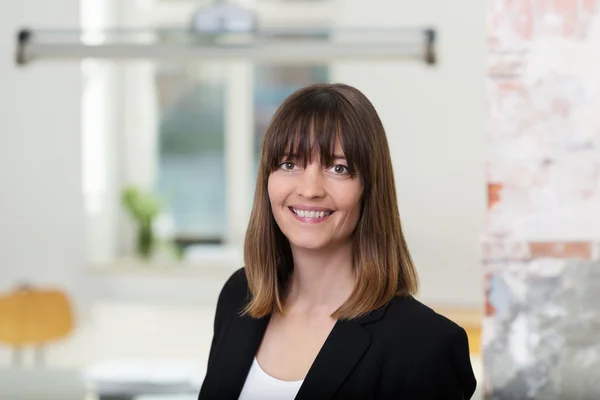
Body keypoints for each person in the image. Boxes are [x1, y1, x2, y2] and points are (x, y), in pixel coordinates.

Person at [198, 83, 477, 399]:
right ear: (267, 179)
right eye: (290, 164)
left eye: (338, 168)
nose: (310, 189)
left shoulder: (426, 347)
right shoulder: (240, 296)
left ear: (369, 188)